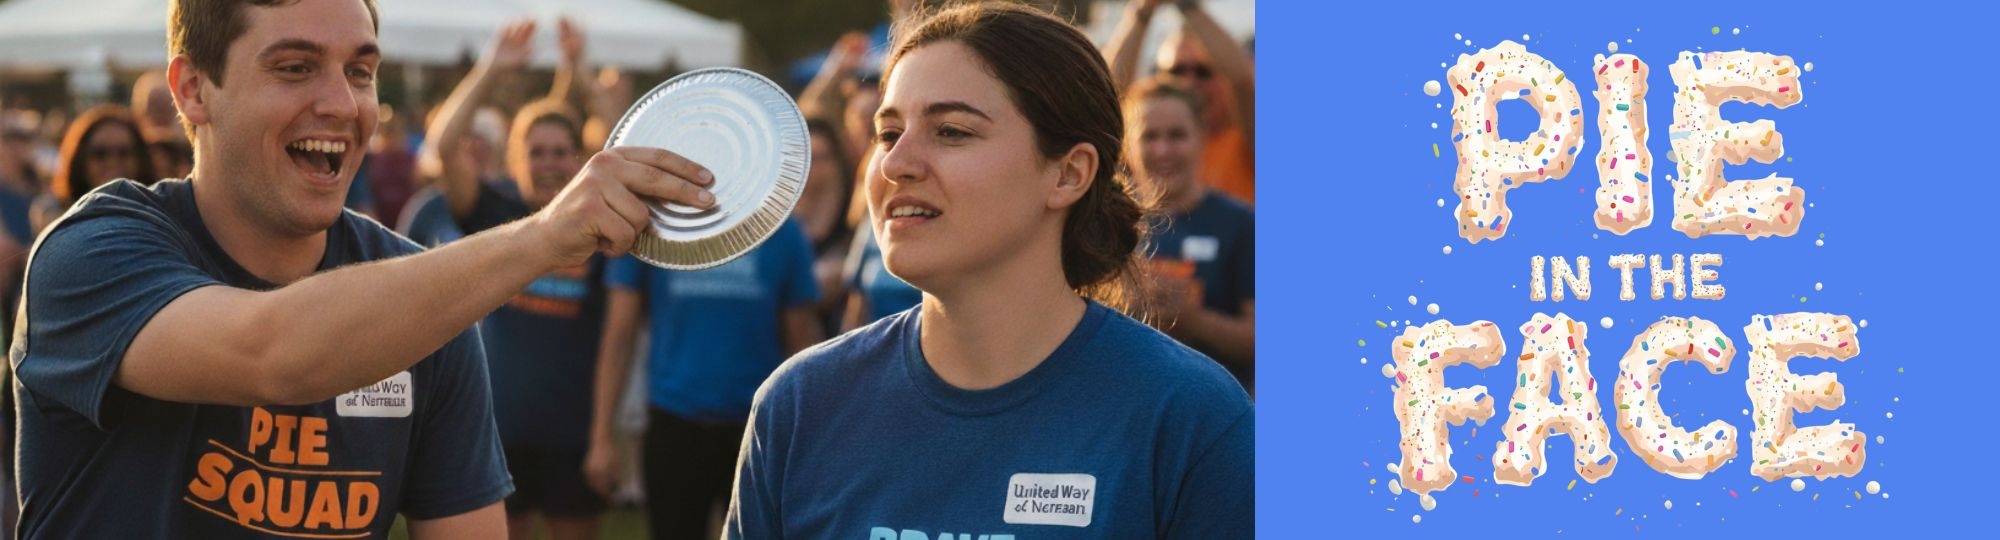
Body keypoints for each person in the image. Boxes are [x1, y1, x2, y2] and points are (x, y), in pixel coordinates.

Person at [9, 0, 717, 537]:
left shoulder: (424, 305)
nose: (342, 105)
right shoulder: (92, 250)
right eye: (294, 68)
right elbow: (275, 353)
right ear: (193, 90)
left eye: (361, 72)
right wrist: (542, 237)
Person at [725, 3, 1254, 538]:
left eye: (952, 131)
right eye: (888, 134)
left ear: (1069, 175)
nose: (894, 163)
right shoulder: (801, 404)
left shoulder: (1188, 416)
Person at [422, 17, 613, 540]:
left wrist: (581, 71)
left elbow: (622, 139)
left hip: (573, 430)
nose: (549, 164)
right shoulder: (493, 210)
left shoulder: (600, 222)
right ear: (516, 157)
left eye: (560, 152)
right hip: (496, 426)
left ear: (578, 159)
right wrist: (492, 68)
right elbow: (444, 144)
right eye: (536, 152)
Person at [1126, 77, 1255, 394]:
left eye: (1177, 135)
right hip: (1132, 406)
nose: (1163, 150)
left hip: (1215, 410)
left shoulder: (1241, 223)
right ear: (1128, 145)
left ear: (1202, 138)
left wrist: (1194, 319)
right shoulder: (1112, 226)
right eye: (1149, 136)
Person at [1105, 0, 1255, 205]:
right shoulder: (1144, 140)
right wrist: (1142, 12)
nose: (1188, 82)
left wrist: (1187, 5)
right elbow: (1108, 96)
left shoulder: (1244, 138)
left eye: (1202, 72)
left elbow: (1242, 82)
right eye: (1176, 71)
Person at [30, 104, 157, 234]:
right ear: (79, 159)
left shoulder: (160, 218)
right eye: (100, 153)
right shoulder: (55, 218)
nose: (112, 162)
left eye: (124, 153)